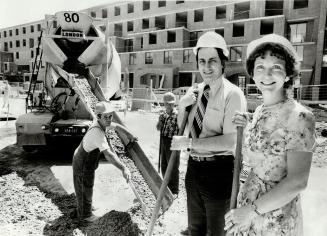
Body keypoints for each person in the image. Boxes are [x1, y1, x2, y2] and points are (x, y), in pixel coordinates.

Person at [224, 34, 316, 235]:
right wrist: (246, 127)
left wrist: (251, 210)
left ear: (288, 74)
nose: (267, 75)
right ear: (252, 74)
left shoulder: (300, 117)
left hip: (275, 219)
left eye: (276, 67)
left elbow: (297, 181)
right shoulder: (258, 112)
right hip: (247, 210)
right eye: (260, 67)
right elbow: (257, 156)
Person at [171, 31, 247, 236]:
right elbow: (183, 130)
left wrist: (189, 144)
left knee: (216, 232)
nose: (207, 67)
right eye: (202, 61)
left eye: (212, 61)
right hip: (193, 170)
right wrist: (181, 106)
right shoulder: (194, 92)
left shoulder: (233, 95)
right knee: (194, 229)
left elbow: (231, 141)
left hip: (220, 173)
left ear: (223, 63)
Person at [72, 101, 136, 224]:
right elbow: (108, 155)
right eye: (105, 116)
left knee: (88, 185)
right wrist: (123, 168)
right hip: (82, 162)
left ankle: (86, 206)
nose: (109, 119)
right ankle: (85, 215)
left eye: (110, 116)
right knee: (83, 186)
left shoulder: (102, 123)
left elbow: (117, 126)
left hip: (87, 162)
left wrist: (130, 135)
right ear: (98, 116)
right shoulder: (97, 132)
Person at [156, 92, 180, 195]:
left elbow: (181, 131)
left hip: (174, 142)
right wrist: (160, 122)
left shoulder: (178, 115)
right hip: (164, 140)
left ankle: (174, 189)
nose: (169, 106)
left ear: (174, 103)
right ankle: (166, 185)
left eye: (171, 103)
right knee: (164, 164)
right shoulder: (163, 115)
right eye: (167, 104)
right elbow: (158, 128)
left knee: (173, 166)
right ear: (164, 104)